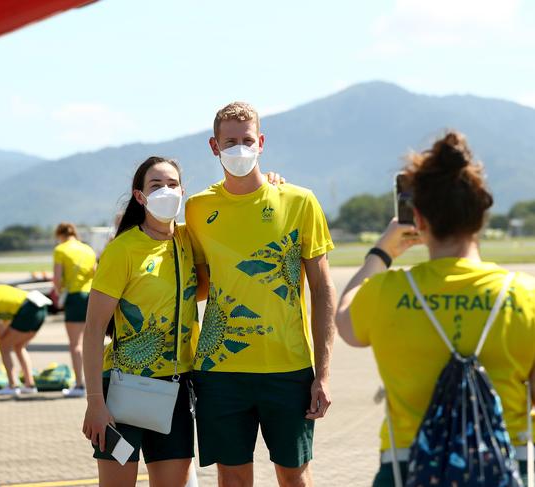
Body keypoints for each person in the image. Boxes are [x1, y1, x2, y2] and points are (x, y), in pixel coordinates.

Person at [334, 131, 535, 486]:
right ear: (481, 215)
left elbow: (345, 319)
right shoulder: (523, 295)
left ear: (419, 218)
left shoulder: (387, 291)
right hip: (501, 470)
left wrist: (383, 252)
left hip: (406, 470)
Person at [185, 102, 337, 487]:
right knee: (232, 479)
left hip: (287, 369)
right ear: (214, 146)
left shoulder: (300, 201)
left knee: (294, 477)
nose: (240, 149)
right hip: (220, 373)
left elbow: (322, 291)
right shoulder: (198, 209)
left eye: (247, 140)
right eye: (230, 142)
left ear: (262, 142)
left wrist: (324, 374)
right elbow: (200, 286)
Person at [81, 156, 200, 487]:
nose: (166, 190)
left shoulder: (190, 241)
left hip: (175, 391)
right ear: (139, 196)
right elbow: (92, 333)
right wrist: (95, 404)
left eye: (172, 184)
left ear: (183, 190)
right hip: (121, 394)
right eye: (156, 185)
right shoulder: (124, 250)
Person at [52, 222, 97, 398]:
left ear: (59, 234)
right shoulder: (88, 249)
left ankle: (79, 384)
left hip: (74, 297)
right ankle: (96, 383)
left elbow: (56, 279)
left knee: (75, 344)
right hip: (91, 296)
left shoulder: (60, 250)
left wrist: (59, 294)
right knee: (93, 342)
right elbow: (96, 272)